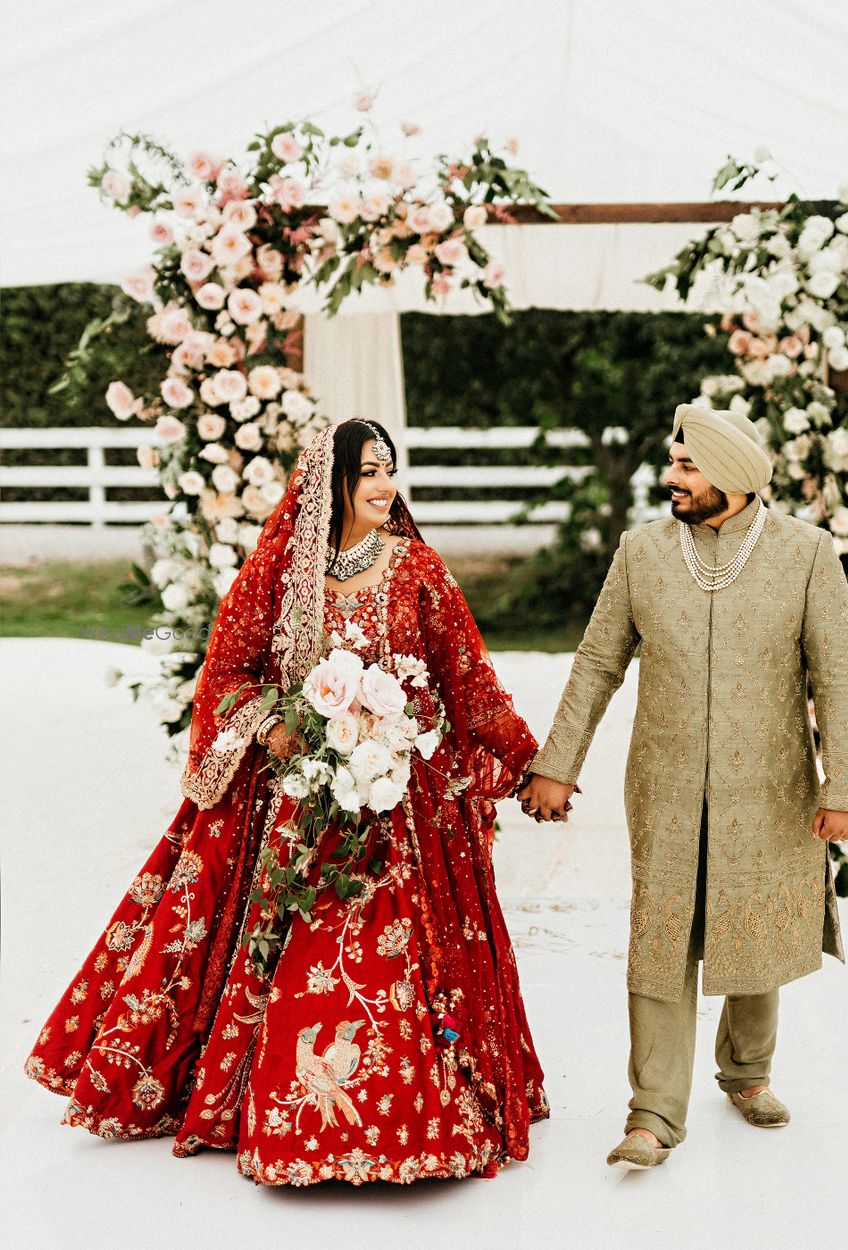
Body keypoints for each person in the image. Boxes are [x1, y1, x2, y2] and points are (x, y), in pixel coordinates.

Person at [25, 419, 548, 1187]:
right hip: (300, 811)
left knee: (395, 956)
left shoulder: (417, 570)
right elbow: (226, 673)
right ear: (330, 482)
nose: (384, 484)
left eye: (390, 469)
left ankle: (412, 1120)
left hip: (400, 813)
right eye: (368, 470)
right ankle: (286, 1114)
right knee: (296, 951)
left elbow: (469, 682)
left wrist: (534, 764)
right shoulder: (281, 574)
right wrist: (275, 728)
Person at [518, 403, 848, 1170]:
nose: (669, 477)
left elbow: (837, 680)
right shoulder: (642, 552)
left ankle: (746, 1073)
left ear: (733, 478)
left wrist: (845, 786)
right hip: (666, 782)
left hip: (770, 784)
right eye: (672, 463)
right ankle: (653, 1114)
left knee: (755, 922)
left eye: (685, 465)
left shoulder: (805, 554)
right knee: (664, 935)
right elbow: (597, 662)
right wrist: (556, 764)